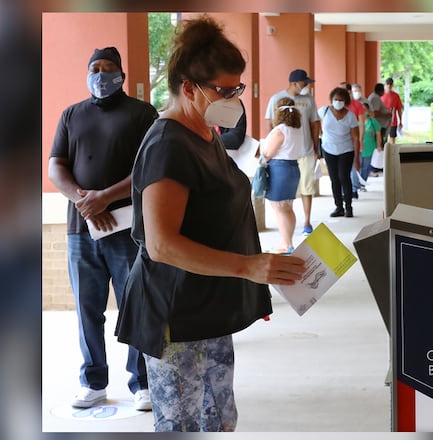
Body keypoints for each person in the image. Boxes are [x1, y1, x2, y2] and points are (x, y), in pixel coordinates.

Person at [114, 16, 306, 432]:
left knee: (217, 419)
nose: (235, 97)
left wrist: (255, 268)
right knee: (182, 425)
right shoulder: (168, 144)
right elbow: (162, 245)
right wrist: (247, 267)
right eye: (225, 90)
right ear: (189, 88)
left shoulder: (205, 132)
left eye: (238, 87)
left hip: (209, 307)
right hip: (176, 313)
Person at [48, 46, 157, 411]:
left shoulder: (142, 114)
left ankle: (142, 382)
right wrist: (83, 200)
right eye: (94, 68)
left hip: (126, 229)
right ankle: (93, 381)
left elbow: (149, 166)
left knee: (135, 304)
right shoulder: (71, 115)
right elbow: (55, 167)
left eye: (107, 68)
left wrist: (105, 198)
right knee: (86, 308)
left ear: (121, 75)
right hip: (82, 229)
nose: (100, 74)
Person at [265, 69, 321, 236]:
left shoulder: (309, 100)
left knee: (307, 187)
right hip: (284, 154)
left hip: (306, 150)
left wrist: (316, 148)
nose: (306, 85)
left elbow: (314, 124)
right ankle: (288, 227)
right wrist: (271, 143)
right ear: (294, 82)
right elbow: (269, 122)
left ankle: (307, 221)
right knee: (286, 195)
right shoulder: (276, 98)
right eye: (304, 82)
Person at [261, 97, 304, 254]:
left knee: (279, 207)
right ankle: (288, 241)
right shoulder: (297, 129)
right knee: (288, 207)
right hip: (293, 168)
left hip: (280, 169)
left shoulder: (280, 130)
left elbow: (268, 153)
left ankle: (286, 244)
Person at [318, 87, 361, 218]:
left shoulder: (350, 116)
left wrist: (357, 158)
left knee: (344, 177)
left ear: (345, 101)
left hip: (346, 150)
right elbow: (314, 124)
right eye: (335, 99)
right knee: (334, 179)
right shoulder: (324, 111)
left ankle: (348, 206)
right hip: (328, 150)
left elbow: (355, 137)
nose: (338, 102)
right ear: (331, 99)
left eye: (341, 100)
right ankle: (338, 207)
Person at [367, 83, 390, 175]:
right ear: (381, 90)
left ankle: (377, 166)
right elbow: (374, 113)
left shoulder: (374, 97)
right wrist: (387, 115)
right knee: (379, 146)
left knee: (380, 146)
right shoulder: (375, 98)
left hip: (380, 125)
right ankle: (376, 167)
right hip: (378, 125)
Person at [360, 102, 383, 185]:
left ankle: (362, 183)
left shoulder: (372, 121)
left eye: (364, 109)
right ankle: (356, 184)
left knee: (366, 167)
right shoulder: (356, 120)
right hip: (358, 147)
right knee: (358, 166)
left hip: (369, 148)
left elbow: (378, 134)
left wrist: (379, 145)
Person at [382, 77, 404, 144]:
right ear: (385, 85)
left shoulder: (396, 96)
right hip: (382, 122)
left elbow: (399, 110)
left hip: (392, 122)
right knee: (383, 140)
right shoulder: (381, 95)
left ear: (392, 85)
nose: (389, 85)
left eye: (390, 84)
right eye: (387, 84)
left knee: (392, 140)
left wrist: (400, 121)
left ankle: (392, 153)